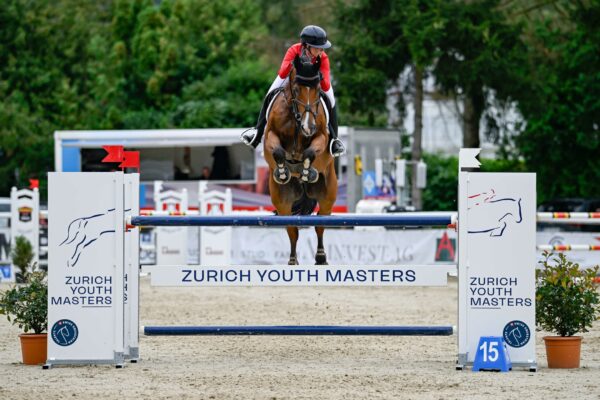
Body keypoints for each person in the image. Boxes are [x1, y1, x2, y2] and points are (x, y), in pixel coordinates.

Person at [241, 25, 346, 157]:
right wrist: (294, 65)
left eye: (322, 48)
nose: (321, 50)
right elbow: (283, 71)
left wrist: (319, 76)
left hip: (313, 83)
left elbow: (325, 86)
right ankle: (257, 132)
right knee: (269, 95)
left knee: (331, 101)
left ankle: (334, 140)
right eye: (318, 47)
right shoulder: (294, 50)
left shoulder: (323, 58)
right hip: (291, 79)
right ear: (307, 45)